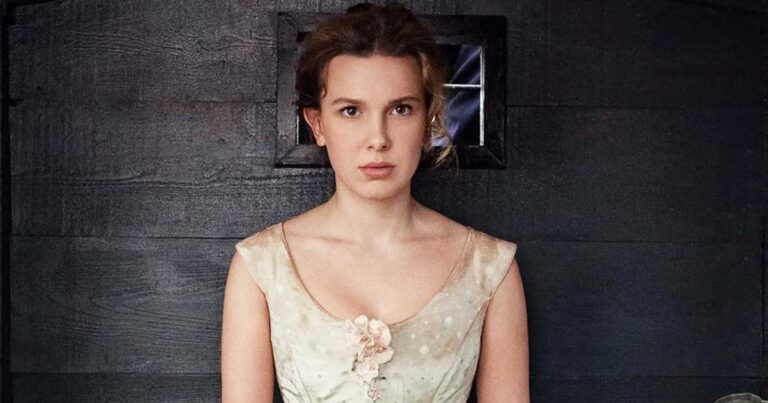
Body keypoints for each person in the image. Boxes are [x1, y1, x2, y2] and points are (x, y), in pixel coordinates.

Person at [221, 3, 529, 402]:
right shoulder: (263, 266)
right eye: (351, 111)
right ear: (318, 124)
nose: (378, 138)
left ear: (427, 122)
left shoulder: (489, 268)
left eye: (400, 109)